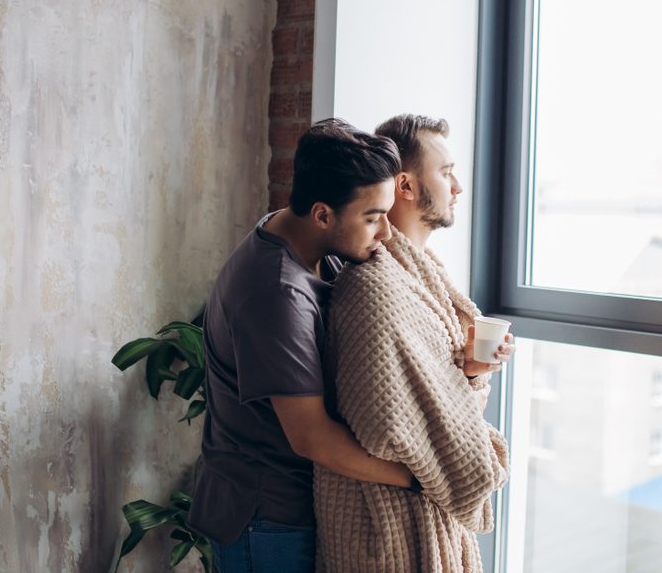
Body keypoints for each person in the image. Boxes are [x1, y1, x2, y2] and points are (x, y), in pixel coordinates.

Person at [188, 119, 417, 573]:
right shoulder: (276, 293)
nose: (386, 233)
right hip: (267, 520)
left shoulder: (301, 239)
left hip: (280, 513)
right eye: (373, 217)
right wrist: (416, 478)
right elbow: (311, 436)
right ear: (323, 214)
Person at [314, 114, 514, 572]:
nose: (457, 186)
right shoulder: (374, 288)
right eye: (446, 172)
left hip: (422, 515)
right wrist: (460, 396)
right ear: (404, 185)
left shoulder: (424, 276)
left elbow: (434, 403)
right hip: (388, 534)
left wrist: (471, 371)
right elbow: (388, 422)